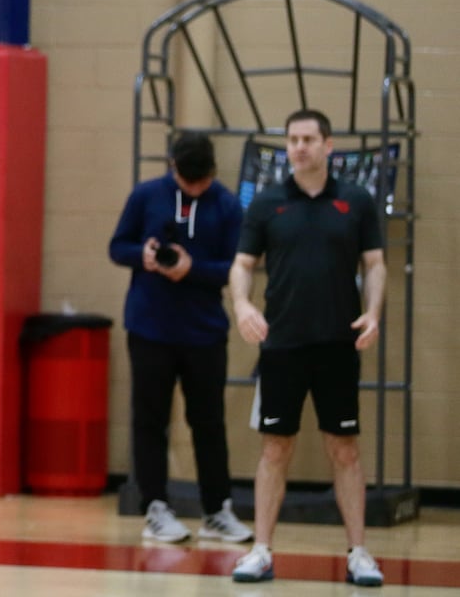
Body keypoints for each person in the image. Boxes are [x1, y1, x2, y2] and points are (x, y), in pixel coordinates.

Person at [228, 109, 388, 587]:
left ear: (328, 145)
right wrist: (242, 305)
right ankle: (260, 550)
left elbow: (375, 264)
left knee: (345, 449)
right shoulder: (267, 203)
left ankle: (359, 552)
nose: (299, 147)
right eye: (293, 139)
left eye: (308, 139)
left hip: (339, 344)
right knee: (276, 447)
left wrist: (374, 312)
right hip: (282, 346)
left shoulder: (356, 201)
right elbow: (242, 264)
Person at [108, 132, 253, 544]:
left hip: (204, 332)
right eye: (186, 181)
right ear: (172, 167)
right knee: (149, 419)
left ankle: (217, 510)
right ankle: (155, 507)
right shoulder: (146, 195)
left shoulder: (227, 204)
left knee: (208, 422)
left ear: (212, 172)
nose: (193, 188)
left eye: (201, 181)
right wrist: (145, 256)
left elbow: (234, 268)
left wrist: (193, 269)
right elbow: (117, 247)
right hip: (149, 328)